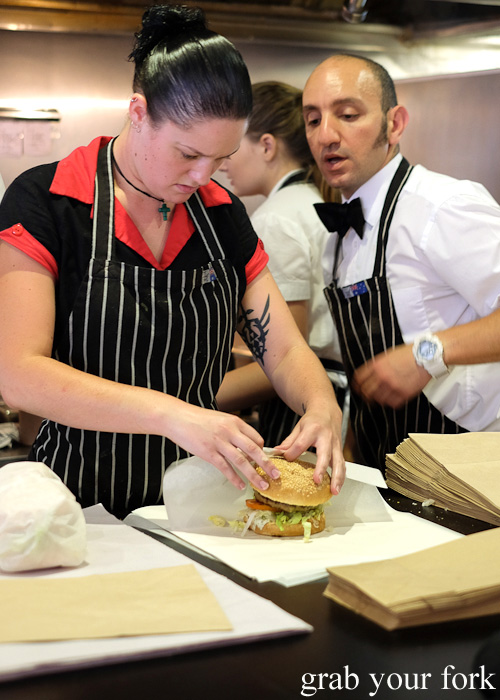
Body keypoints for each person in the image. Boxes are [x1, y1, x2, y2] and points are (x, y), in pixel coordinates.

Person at [0, 4, 345, 519]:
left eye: (222, 159)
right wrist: (172, 415)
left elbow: (286, 350)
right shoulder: (49, 200)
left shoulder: (222, 217)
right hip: (77, 512)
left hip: (201, 513)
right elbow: (18, 372)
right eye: (188, 154)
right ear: (139, 113)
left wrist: (321, 406)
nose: (204, 176)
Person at [302, 53, 500, 470]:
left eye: (348, 115)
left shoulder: (442, 207)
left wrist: (425, 354)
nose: (327, 136)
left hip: (468, 471)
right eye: (313, 119)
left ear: (394, 124)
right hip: (384, 471)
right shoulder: (335, 238)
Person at [217, 81, 348, 448]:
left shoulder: (276, 219)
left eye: (231, 145)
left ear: (267, 145)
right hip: (327, 395)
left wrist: (193, 404)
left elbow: (288, 351)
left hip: (300, 404)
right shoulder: (311, 201)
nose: (221, 161)